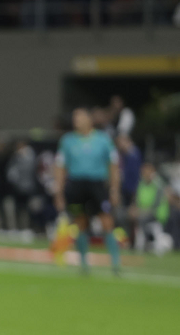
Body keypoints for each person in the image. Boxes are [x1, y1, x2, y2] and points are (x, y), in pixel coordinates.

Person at [53, 107, 121, 274]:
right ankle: (84, 264)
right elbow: (60, 167)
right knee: (80, 223)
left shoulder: (103, 140)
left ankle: (115, 263)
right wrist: (59, 192)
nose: (76, 121)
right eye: (75, 118)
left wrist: (114, 189)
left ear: (89, 120)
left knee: (106, 221)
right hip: (76, 185)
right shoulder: (67, 141)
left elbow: (113, 165)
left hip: (97, 184)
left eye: (80, 117)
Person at [132, 161, 172, 254]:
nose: (145, 174)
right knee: (126, 215)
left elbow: (155, 206)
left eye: (147, 172)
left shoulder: (158, 185)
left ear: (152, 172)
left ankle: (141, 244)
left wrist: (140, 212)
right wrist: (134, 209)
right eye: (143, 172)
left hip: (158, 214)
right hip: (144, 212)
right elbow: (137, 201)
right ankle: (130, 243)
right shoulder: (141, 185)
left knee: (141, 219)